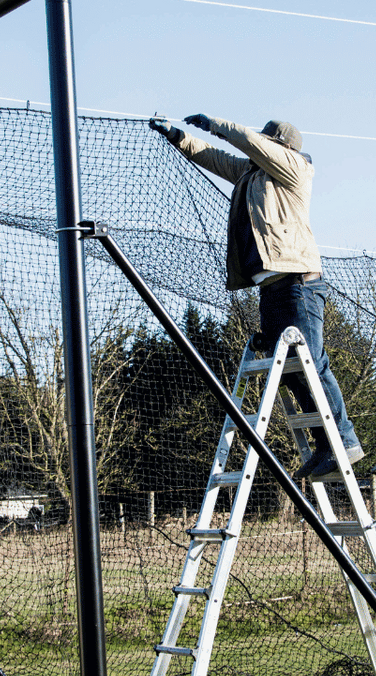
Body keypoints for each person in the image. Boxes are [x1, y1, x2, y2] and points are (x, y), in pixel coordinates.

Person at [149, 112, 363, 477]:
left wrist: (216, 124)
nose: (260, 148)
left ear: (280, 148)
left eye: (267, 144)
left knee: (312, 364)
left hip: (299, 285)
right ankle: (325, 444)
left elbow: (250, 142)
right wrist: (177, 136)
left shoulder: (295, 170)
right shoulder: (252, 174)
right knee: (292, 373)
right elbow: (214, 158)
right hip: (271, 290)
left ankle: (344, 440)